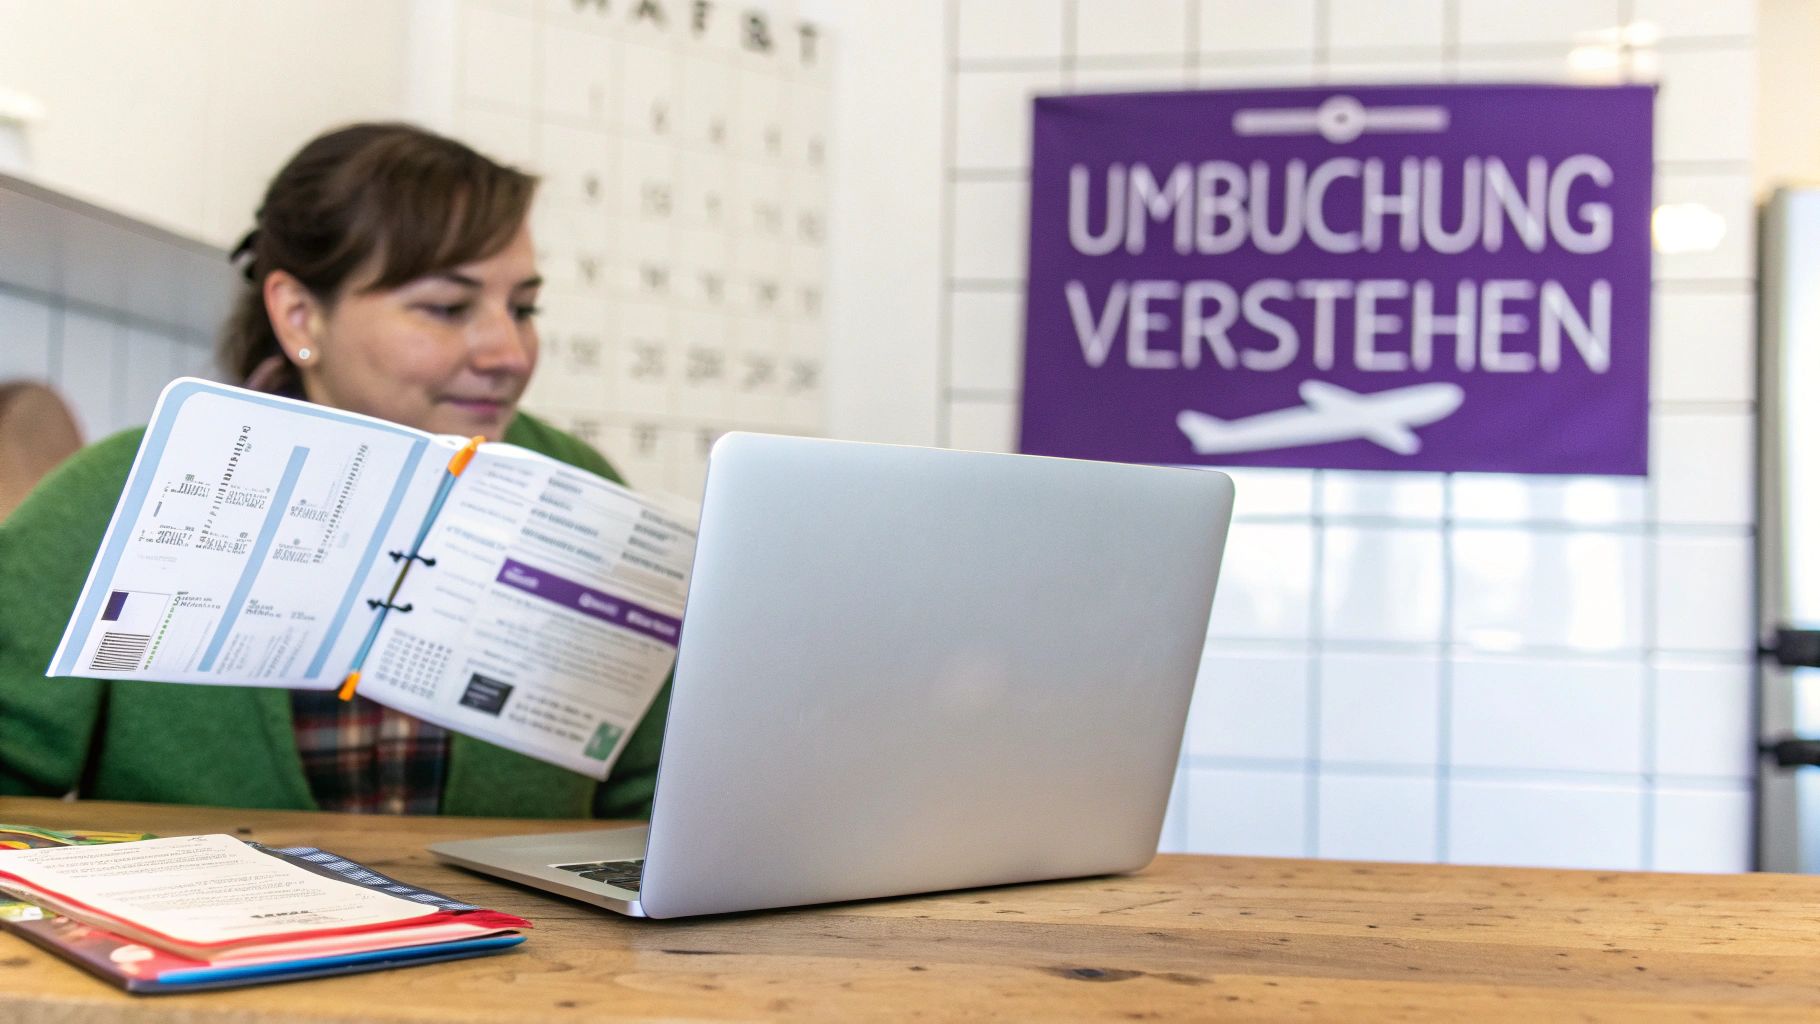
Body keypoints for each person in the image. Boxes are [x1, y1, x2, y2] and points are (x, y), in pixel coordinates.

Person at [0, 123, 666, 818]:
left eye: (523, 308)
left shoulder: (583, 490)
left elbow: (657, 801)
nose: (510, 353)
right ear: (298, 315)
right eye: (447, 308)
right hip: (214, 927)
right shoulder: (119, 496)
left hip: (527, 933)